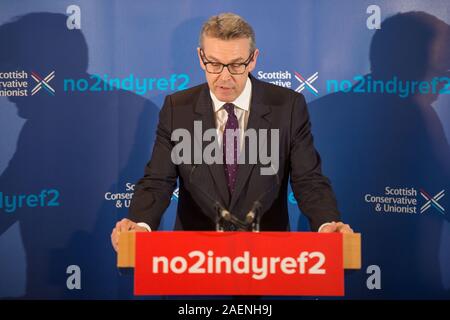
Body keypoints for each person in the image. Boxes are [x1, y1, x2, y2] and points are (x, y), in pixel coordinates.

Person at [111, 13, 353, 251]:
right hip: (193, 261)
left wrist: (326, 224)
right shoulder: (177, 109)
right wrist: (141, 225)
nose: (224, 77)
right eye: (214, 64)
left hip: (268, 260)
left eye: (236, 65)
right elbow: (158, 181)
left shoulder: (287, 107)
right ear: (200, 57)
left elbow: (308, 181)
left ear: (253, 59)